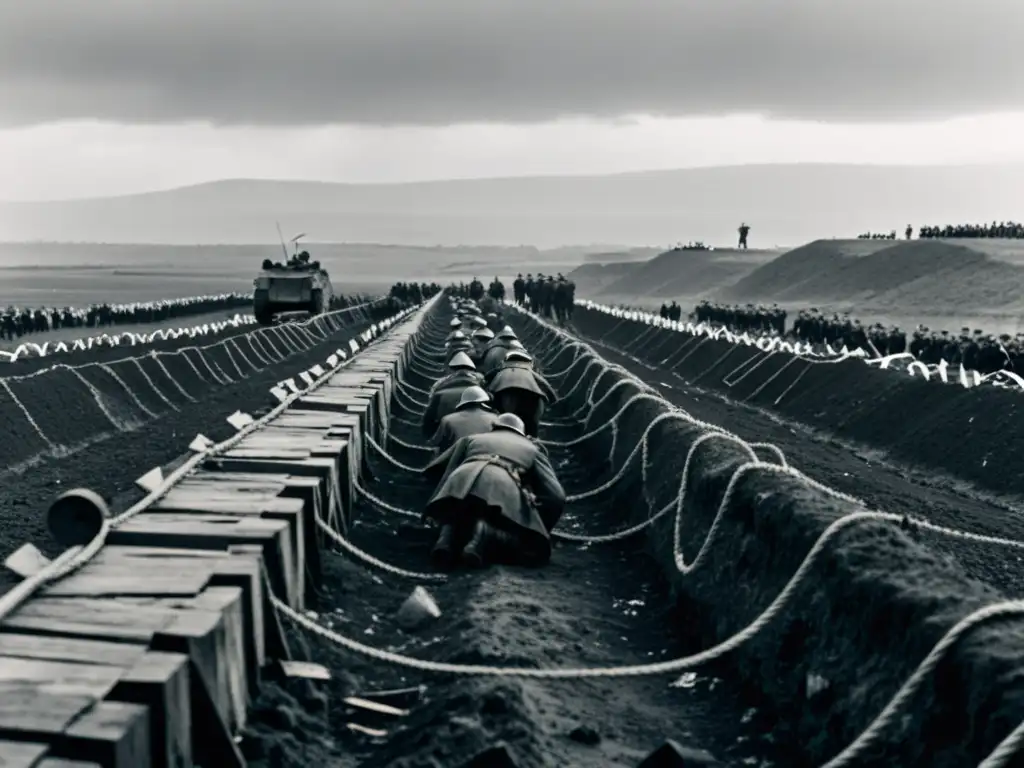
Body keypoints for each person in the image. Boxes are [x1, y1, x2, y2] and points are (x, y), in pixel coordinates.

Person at [423, 413, 567, 570]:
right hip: (502, 482)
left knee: (456, 510)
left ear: (494, 427)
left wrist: (434, 506)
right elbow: (557, 496)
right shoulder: (533, 450)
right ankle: (485, 532)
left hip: (462, 478)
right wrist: (540, 526)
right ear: (521, 433)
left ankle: (445, 539)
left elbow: (441, 469)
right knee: (531, 548)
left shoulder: (472, 438)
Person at [429, 386, 500, 453]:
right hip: (487, 456)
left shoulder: (448, 420)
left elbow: (435, 443)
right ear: (483, 402)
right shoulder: (495, 418)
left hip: (457, 458)